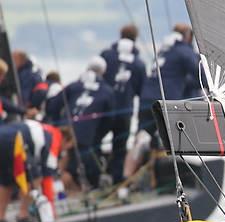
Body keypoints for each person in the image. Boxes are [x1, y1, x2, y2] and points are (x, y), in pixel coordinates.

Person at [48, 57, 114, 189]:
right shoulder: (107, 91)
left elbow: (52, 106)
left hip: (63, 132)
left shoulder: (74, 86)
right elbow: (109, 121)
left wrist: (57, 124)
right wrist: (96, 137)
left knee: (61, 166)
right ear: (103, 72)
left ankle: (56, 189)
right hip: (85, 138)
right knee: (70, 171)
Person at [101, 24, 146, 183]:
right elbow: (142, 94)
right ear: (135, 38)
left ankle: (97, 175)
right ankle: (117, 181)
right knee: (119, 148)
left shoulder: (106, 55)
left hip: (103, 110)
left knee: (94, 143)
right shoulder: (139, 64)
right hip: (124, 112)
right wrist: (141, 123)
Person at [139, 23, 201, 139]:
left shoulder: (163, 52)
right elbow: (200, 74)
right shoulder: (183, 50)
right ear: (187, 36)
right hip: (165, 102)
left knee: (143, 139)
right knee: (168, 139)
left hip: (145, 101)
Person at [11, 50, 47, 114]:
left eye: (14, 59)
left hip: (27, 110)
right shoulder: (31, 72)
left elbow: (24, 95)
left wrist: (23, 111)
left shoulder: (26, 74)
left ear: (20, 60)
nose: (11, 62)